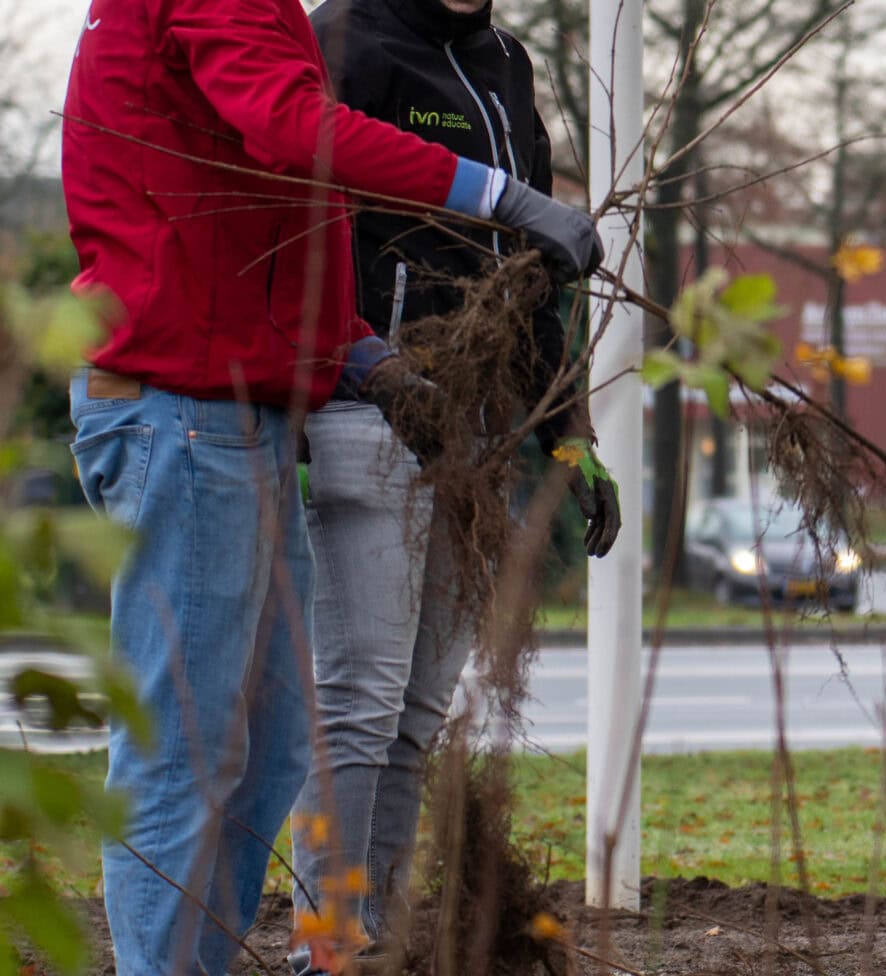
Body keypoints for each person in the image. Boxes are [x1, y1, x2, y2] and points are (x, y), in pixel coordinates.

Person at [60, 0, 599, 969]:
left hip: (238, 405)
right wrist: (499, 196)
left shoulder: (289, 20)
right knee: (190, 750)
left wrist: (359, 357)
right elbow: (292, 129)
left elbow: (267, 220)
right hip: (182, 409)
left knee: (266, 749)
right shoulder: (281, 17)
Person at [286, 0, 621, 969]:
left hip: (476, 429)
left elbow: (533, 279)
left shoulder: (507, 64)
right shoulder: (344, 39)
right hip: (370, 407)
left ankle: (372, 940)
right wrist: (368, 370)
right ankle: (328, 949)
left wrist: (567, 431)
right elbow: (301, 225)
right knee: (361, 697)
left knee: (418, 708)